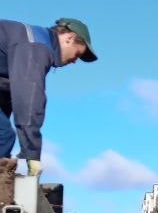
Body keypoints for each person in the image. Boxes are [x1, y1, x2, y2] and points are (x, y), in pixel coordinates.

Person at [0, 17, 97, 174]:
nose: (74, 61)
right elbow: (29, 99)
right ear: (69, 38)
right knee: (3, 137)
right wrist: (33, 155)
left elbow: (7, 96)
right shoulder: (36, 47)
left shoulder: (27, 39)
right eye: (78, 54)